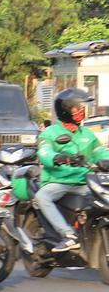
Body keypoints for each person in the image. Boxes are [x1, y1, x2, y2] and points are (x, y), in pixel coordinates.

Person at [36, 88, 109, 252]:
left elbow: (100, 152)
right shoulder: (50, 133)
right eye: (77, 108)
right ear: (65, 110)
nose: (81, 111)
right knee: (42, 196)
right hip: (59, 182)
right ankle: (68, 235)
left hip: (85, 181)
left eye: (82, 108)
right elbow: (44, 152)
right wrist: (58, 158)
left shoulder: (87, 134)